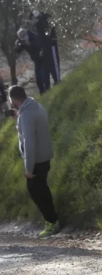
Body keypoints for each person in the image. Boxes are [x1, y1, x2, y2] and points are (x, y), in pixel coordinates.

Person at [8, 85, 61, 237]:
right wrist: (19, 118)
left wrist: (29, 168)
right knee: (42, 188)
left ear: (15, 99)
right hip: (45, 156)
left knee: (37, 191)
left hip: (36, 160)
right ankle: (52, 219)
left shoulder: (26, 116)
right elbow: (33, 125)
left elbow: (29, 143)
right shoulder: (36, 106)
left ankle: (51, 221)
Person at [30, 10, 61, 86]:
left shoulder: (44, 22)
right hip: (46, 47)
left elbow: (47, 34)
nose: (32, 21)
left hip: (51, 45)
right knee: (50, 64)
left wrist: (45, 45)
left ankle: (58, 80)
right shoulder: (39, 25)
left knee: (54, 63)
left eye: (32, 19)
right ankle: (56, 80)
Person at [14, 28, 49, 94]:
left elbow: (38, 46)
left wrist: (29, 44)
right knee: (38, 78)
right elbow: (17, 51)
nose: (23, 37)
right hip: (37, 60)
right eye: (21, 36)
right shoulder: (22, 41)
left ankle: (48, 88)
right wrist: (17, 46)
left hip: (44, 57)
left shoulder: (33, 36)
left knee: (45, 75)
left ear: (26, 33)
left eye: (24, 35)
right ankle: (43, 92)